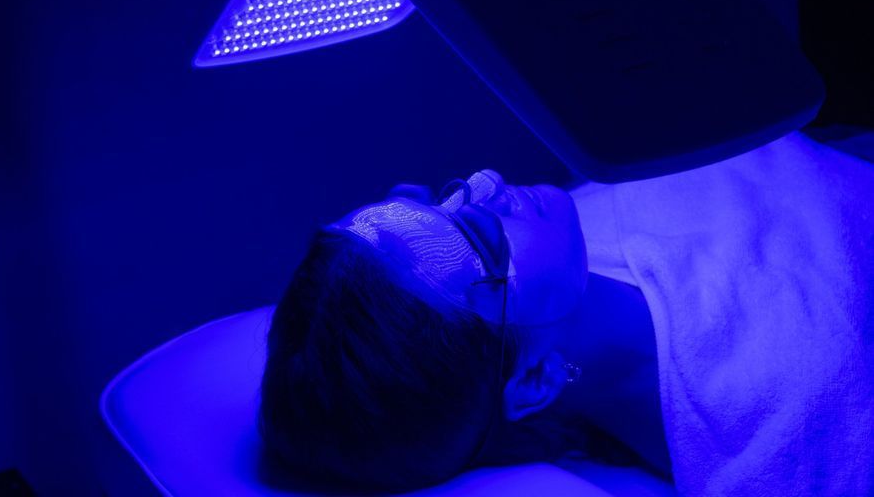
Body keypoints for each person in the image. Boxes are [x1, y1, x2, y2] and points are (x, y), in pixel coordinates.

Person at [260, 131, 874, 495]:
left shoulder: (597, 198)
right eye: (481, 237)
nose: (486, 180)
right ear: (534, 378)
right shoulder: (780, 425)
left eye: (445, 197)